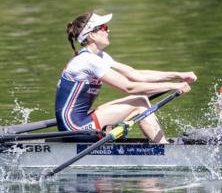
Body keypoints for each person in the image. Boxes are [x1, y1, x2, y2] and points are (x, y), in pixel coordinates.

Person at [55, 12, 197, 143]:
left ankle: (161, 146)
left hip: (80, 121)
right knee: (140, 102)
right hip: (74, 128)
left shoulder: (99, 57)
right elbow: (129, 87)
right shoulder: (88, 60)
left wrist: (179, 75)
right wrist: (173, 86)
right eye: (104, 27)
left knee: (140, 99)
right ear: (91, 35)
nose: (108, 30)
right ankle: (164, 150)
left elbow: (135, 74)